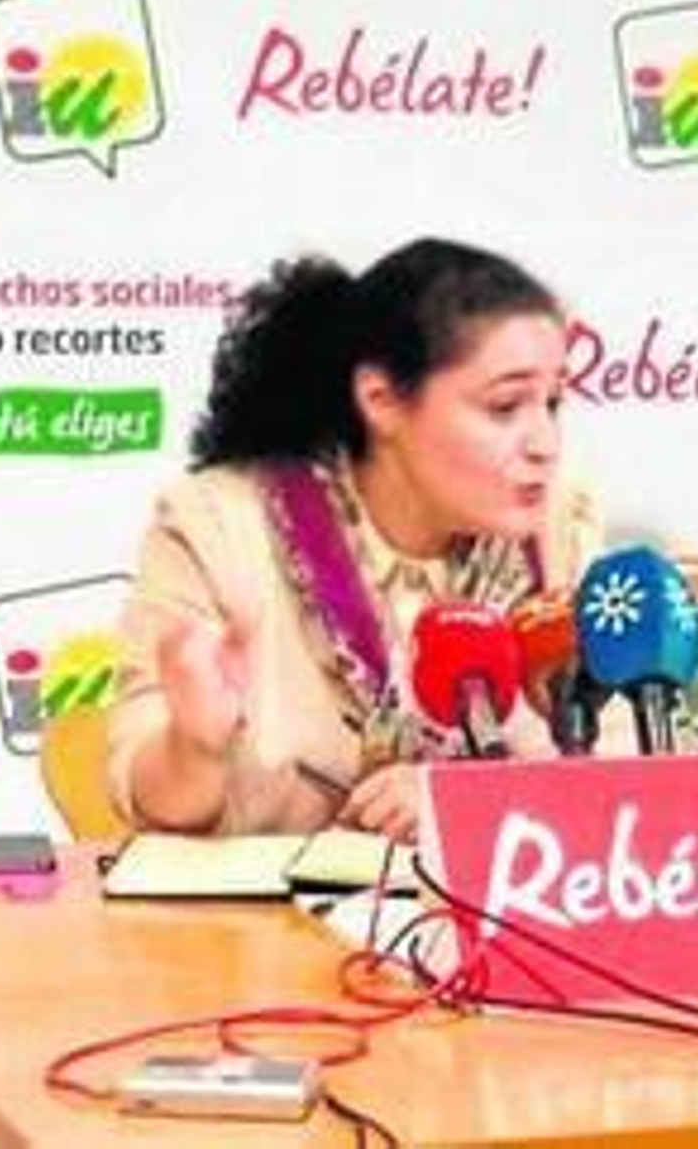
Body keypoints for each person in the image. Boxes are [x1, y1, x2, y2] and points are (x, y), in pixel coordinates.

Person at [108, 238, 601, 840]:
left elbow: (638, 779)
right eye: (505, 407)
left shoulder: (561, 532)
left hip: (508, 926)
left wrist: (470, 802)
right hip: (266, 931)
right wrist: (194, 748)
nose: (544, 443)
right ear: (381, 400)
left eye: (552, 403)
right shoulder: (219, 525)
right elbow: (148, 802)